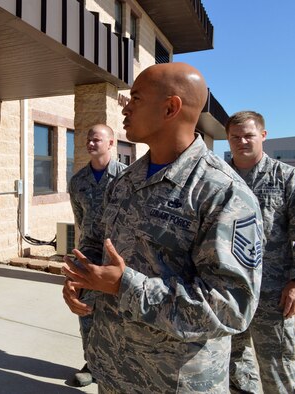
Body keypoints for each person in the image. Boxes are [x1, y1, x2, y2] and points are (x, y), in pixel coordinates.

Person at [62, 62, 263, 393]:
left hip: (174, 380)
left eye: (136, 98)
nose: (125, 106)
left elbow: (232, 307)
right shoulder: (124, 181)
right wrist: (80, 280)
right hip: (114, 370)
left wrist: (125, 286)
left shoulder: (222, 192)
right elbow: (98, 241)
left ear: (171, 107)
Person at [226, 111, 295, 394]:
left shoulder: (286, 177)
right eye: (235, 137)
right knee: (234, 366)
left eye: (249, 135)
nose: (242, 141)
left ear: (262, 136)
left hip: (273, 292)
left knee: (278, 368)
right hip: (228, 290)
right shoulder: (219, 177)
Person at [67, 124, 126, 387]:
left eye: (97, 139)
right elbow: (80, 219)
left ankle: (118, 363)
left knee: (119, 312)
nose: (91, 143)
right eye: (88, 139)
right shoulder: (78, 181)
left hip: (119, 254)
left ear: (111, 143)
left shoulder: (126, 178)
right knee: (86, 309)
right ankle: (91, 363)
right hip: (89, 254)